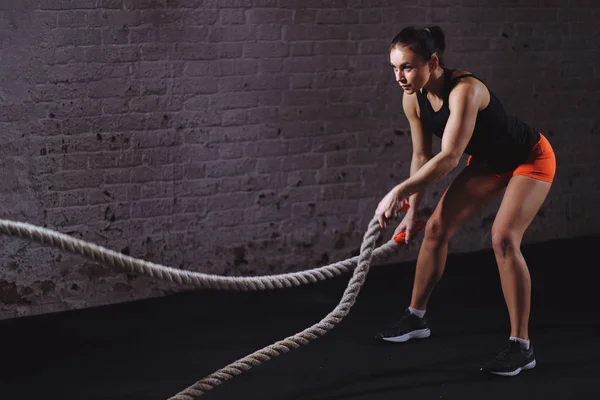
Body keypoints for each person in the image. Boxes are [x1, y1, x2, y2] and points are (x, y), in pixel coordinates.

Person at [373, 25, 556, 377]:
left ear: (434, 62)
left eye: (408, 67)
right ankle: (415, 318)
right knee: (435, 229)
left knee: (503, 240)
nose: (399, 76)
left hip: (530, 158)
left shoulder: (465, 91)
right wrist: (411, 210)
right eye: (394, 68)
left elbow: (449, 157)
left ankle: (522, 346)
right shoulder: (412, 98)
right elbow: (422, 155)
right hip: (489, 164)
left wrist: (398, 192)